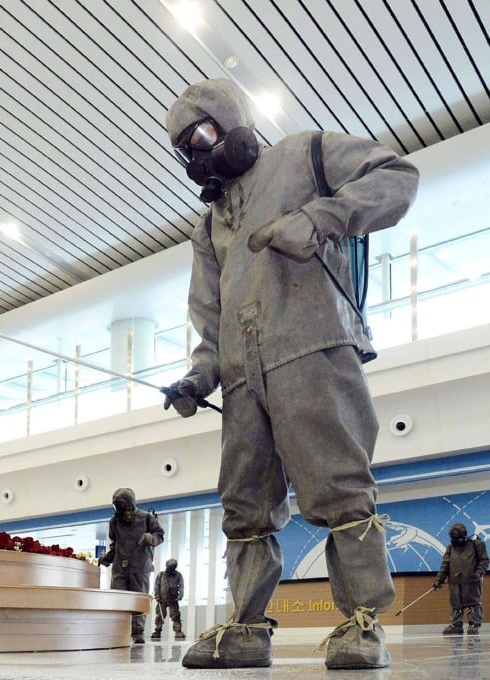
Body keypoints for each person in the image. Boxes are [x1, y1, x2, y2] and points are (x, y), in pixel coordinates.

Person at [163, 79, 419, 670]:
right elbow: (210, 312)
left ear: (233, 120)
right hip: (243, 377)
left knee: (339, 485)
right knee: (245, 504)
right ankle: (247, 627)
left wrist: (322, 216)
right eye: (187, 147)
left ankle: (362, 625)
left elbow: (397, 177)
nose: (201, 152)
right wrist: (201, 377)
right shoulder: (207, 227)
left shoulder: (305, 153)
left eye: (204, 133)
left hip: (312, 347)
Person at [98, 487, 164, 644]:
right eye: (116, 506)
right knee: (118, 599)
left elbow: (159, 535)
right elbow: (115, 545)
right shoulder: (114, 522)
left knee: (138, 600)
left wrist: (149, 537)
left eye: (121, 505)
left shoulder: (146, 518)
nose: (119, 509)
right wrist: (107, 559)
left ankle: (137, 632)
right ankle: (118, 630)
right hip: (120, 567)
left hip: (140, 566)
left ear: (129, 504)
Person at [433, 523, 487, 635]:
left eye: (459, 538)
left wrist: (479, 573)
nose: (457, 541)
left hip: (472, 580)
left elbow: (484, 560)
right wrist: (440, 579)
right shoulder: (450, 548)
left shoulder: (477, 544)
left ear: (465, 535)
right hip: (455, 581)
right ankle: (456, 625)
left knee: (474, 602)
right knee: (456, 603)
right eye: (454, 539)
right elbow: (445, 564)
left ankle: (474, 624)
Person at [152, 558, 186, 641]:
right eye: (168, 566)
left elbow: (181, 586)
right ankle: (157, 631)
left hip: (173, 599)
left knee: (176, 616)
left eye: (171, 567)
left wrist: (180, 595)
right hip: (162, 599)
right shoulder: (160, 575)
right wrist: (157, 596)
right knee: (160, 616)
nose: (169, 568)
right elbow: (156, 586)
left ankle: (178, 631)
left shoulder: (178, 575)